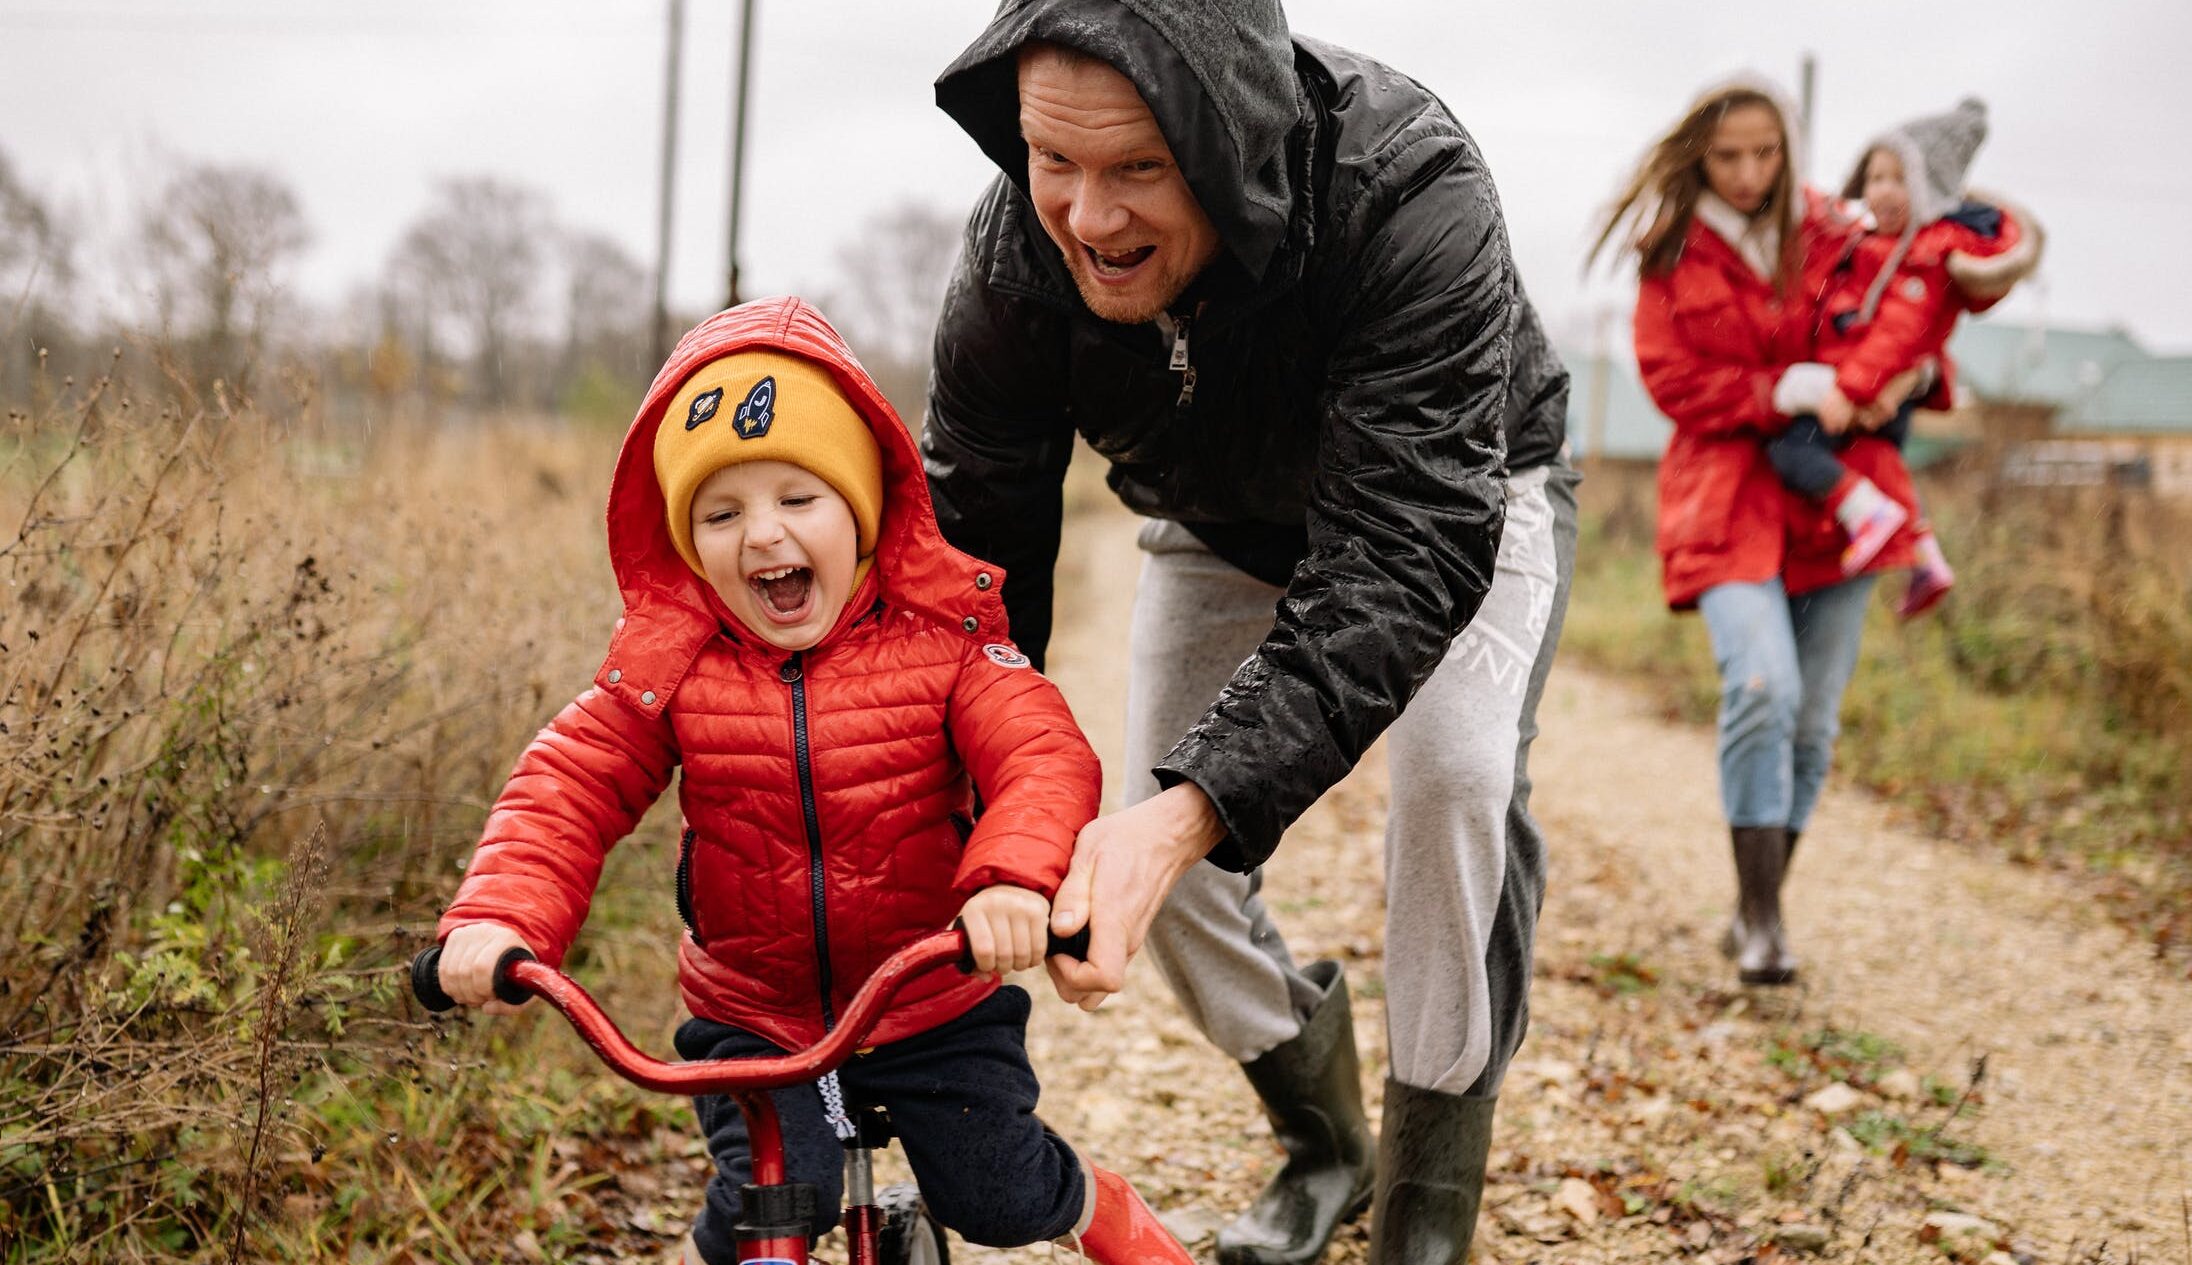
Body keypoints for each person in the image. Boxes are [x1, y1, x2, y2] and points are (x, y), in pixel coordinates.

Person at [925, 3, 1575, 1260]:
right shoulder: (1015, 250)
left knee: (1453, 779)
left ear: (1226, 143)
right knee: (1148, 840)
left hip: (1458, 497)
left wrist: (1194, 810)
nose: (1088, 219)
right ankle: (1326, 1141)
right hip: (1214, 515)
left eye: (1138, 170)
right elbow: (977, 560)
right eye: (1054, 160)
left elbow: (1400, 550)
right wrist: (956, 806)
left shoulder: (1410, 185)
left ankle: (1426, 1218)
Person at [430, 297, 1193, 1262]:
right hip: (752, 1011)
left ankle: (1100, 1207)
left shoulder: (944, 645)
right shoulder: (672, 665)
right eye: (721, 512)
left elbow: (1041, 753)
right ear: (686, 541)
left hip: (932, 996)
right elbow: (566, 788)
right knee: (769, 1212)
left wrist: (1012, 878)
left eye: (799, 499)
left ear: (863, 507)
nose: (762, 536)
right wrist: (500, 914)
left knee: (997, 1193)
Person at [1593, 78, 2023, 987]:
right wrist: (1782, 390)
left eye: (1766, 152)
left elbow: (1918, 289)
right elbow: (1673, 382)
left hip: (1841, 496)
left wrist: (1918, 374)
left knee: (1813, 721)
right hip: (1725, 495)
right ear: (1698, 156)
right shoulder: (1670, 251)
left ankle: (1762, 907)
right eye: (1728, 156)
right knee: (1762, 685)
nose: (1750, 173)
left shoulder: (1832, 226)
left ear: (1788, 149)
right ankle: (1759, 918)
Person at [1774, 97, 2040, 616]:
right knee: (1883, 464)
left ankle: (1867, 515)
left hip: (1866, 390)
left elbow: (1896, 336)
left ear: (1928, 190)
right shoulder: (1868, 246)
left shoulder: (1921, 257)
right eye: (1874, 177)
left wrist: (1850, 392)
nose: (1882, 191)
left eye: (1899, 179)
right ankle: (1925, 555)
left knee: (1791, 452)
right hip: (1874, 389)